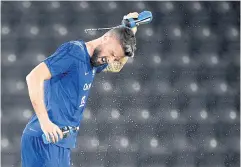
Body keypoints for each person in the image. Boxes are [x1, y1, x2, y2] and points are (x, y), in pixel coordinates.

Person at [21, 12, 138, 167]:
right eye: (111, 54)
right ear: (105, 38)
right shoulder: (74, 52)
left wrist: (131, 30)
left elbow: (117, 66)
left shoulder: (95, 62)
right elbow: (33, 77)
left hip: (60, 141)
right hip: (46, 139)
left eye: (113, 58)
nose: (109, 60)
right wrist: (45, 122)